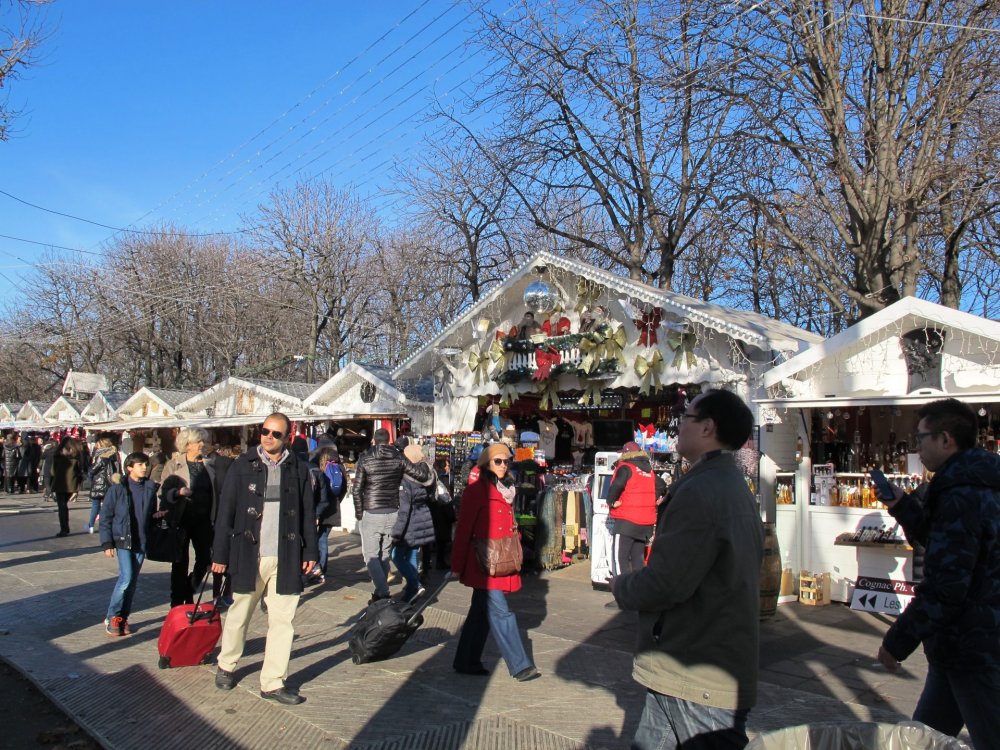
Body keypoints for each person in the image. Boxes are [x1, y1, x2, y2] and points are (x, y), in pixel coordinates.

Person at [611, 389, 764, 750]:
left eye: (686, 418)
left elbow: (668, 582)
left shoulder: (703, 490)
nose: (678, 425)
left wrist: (623, 586)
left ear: (708, 427)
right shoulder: (729, 484)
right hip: (687, 666)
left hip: (699, 670)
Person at [876, 398, 1000, 748]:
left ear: (946, 439)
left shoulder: (961, 493)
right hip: (962, 643)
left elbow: (946, 585)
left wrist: (897, 641)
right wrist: (903, 507)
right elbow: (952, 545)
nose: (917, 446)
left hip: (972, 644)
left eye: (921, 437)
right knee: (926, 737)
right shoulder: (975, 482)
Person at [211, 412, 317, 706]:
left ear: (288, 438)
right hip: (249, 554)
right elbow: (225, 512)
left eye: (276, 434)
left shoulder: (298, 468)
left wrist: (310, 552)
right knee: (239, 614)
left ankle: (272, 682)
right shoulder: (241, 465)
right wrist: (219, 554)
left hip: (286, 555)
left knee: (283, 622)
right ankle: (226, 665)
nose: (268, 437)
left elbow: (308, 513)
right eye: (265, 431)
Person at [451, 443, 539, 682]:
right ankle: (520, 665)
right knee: (501, 613)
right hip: (483, 562)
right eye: (497, 461)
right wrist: (456, 565)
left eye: (506, 461)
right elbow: (463, 530)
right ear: (486, 464)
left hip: (500, 558)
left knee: (479, 614)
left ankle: (465, 661)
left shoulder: (507, 489)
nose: (503, 465)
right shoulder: (475, 491)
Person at [352, 427, 434, 603]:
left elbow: (357, 488)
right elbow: (420, 475)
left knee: (371, 555)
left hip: (372, 511)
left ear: (374, 441)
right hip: (392, 511)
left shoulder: (365, 458)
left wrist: (359, 513)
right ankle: (381, 591)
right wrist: (427, 464)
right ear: (389, 441)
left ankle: (382, 592)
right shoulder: (398, 457)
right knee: (383, 554)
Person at [99, 452, 159, 637]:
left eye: (145, 464)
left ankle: (123, 617)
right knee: (126, 578)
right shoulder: (118, 489)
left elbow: (149, 514)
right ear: (129, 468)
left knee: (132, 582)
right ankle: (112, 616)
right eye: (140, 464)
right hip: (124, 540)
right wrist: (107, 543)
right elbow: (106, 516)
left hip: (141, 540)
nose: (144, 467)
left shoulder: (150, 487)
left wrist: (156, 518)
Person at [159, 428, 221, 607]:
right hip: (181, 519)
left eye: (203, 441)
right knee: (180, 562)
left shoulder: (209, 464)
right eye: (198, 442)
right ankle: (177, 602)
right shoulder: (174, 464)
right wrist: (177, 493)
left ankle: (189, 588)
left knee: (205, 559)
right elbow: (163, 491)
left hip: (204, 520)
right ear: (187, 445)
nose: (202, 445)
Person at [605, 441, 666, 587]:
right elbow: (661, 485)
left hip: (627, 520)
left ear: (626, 453)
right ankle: (639, 592)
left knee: (621, 558)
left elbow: (617, 485)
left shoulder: (625, 467)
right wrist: (652, 499)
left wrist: (611, 502)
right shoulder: (648, 471)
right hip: (646, 521)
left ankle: (621, 592)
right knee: (638, 557)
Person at [391, 442, 437, 603]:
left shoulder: (406, 479)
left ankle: (415, 584)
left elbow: (404, 510)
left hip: (410, 521)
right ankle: (411, 592)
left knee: (396, 555)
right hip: (422, 517)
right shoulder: (427, 474)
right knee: (411, 554)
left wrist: (396, 533)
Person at [309, 445, 345, 584]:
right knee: (323, 539)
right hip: (334, 510)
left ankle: (319, 570)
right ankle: (322, 569)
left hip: (322, 508)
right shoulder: (340, 468)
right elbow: (343, 490)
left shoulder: (321, 469)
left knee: (320, 540)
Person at [86, 435, 122, 534]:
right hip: (111, 483)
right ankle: (107, 525)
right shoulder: (115, 454)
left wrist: (89, 474)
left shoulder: (101, 455)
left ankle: (91, 526)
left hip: (98, 483)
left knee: (95, 505)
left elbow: (94, 469)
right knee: (108, 506)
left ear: (102, 444)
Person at [51, 436, 85, 537]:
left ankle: (64, 528)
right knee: (64, 505)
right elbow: (80, 470)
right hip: (72, 483)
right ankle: (65, 528)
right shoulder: (76, 455)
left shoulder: (58, 455)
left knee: (62, 506)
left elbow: (53, 471)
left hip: (60, 483)